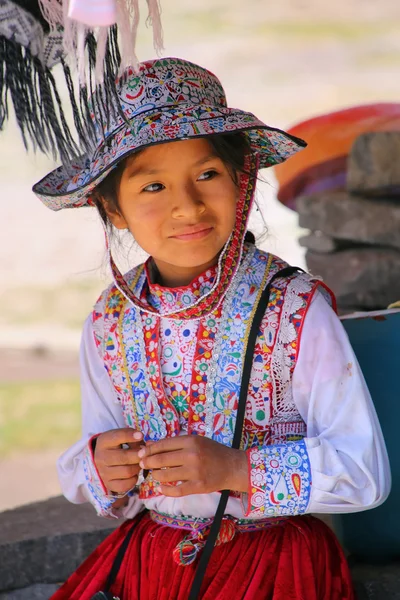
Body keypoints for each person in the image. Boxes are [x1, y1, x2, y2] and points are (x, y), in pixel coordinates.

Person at [33, 57, 390, 600]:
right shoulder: (109, 322)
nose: (188, 205)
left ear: (241, 178)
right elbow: (100, 467)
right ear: (113, 206)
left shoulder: (292, 309)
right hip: (150, 564)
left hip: (274, 567)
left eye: (207, 174)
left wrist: (237, 468)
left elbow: (363, 472)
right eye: (152, 186)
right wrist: (102, 465)